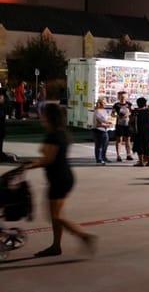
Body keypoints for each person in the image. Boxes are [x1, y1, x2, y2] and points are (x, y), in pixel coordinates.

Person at [25, 104, 97, 257]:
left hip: (59, 179)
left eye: (43, 115)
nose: (41, 118)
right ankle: (56, 246)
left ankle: (83, 236)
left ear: (50, 117)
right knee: (55, 215)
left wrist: (28, 166)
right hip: (63, 177)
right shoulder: (61, 133)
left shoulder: (53, 136)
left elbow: (48, 160)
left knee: (56, 216)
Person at [131, 97, 149, 166]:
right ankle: (148, 161)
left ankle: (141, 161)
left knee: (139, 146)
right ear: (145, 104)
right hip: (148, 131)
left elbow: (132, 121)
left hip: (139, 131)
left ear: (138, 104)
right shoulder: (148, 111)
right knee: (147, 146)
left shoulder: (136, 112)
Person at [112, 91, 133, 162]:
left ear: (126, 97)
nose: (122, 98)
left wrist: (128, 114)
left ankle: (129, 155)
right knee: (119, 140)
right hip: (119, 124)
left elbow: (132, 113)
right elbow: (112, 114)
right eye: (121, 96)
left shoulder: (129, 104)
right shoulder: (116, 105)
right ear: (118, 97)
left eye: (124, 96)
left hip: (127, 124)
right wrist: (117, 115)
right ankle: (118, 155)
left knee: (128, 140)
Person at [93, 98, 112, 165]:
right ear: (100, 103)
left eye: (105, 102)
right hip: (98, 130)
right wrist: (106, 125)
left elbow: (105, 119)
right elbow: (98, 123)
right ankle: (99, 159)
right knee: (99, 146)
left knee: (105, 145)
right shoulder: (97, 111)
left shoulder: (104, 110)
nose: (105, 104)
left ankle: (104, 157)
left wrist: (109, 122)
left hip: (104, 130)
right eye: (104, 103)